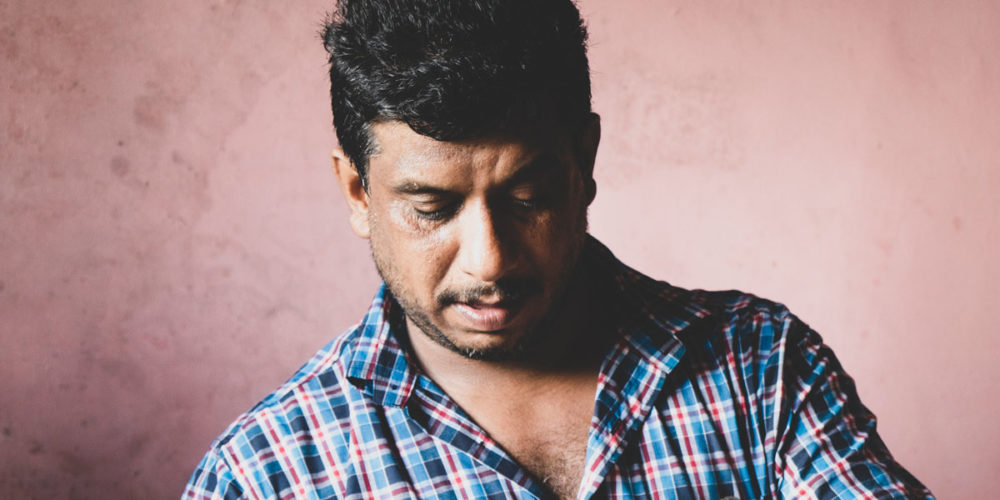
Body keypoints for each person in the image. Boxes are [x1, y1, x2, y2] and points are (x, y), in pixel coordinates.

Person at [183, 0, 933, 498]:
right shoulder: (266, 474)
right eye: (431, 208)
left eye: (526, 198)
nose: (489, 262)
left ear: (586, 161)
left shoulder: (762, 372)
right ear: (357, 193)